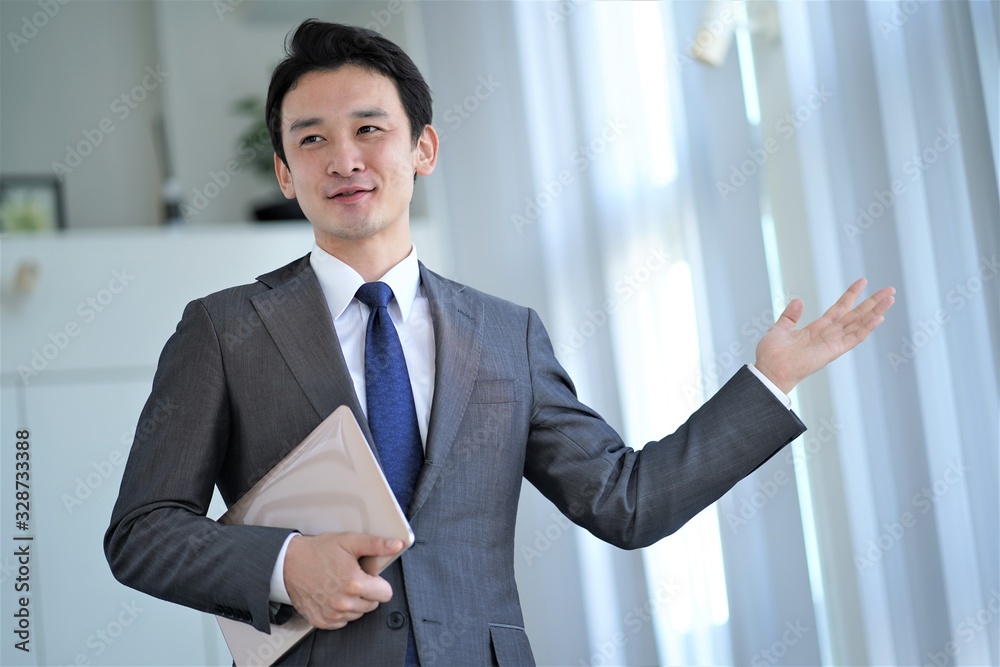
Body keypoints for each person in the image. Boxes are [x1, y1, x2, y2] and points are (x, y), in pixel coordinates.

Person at [104, 19, 895, 666]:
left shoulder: (505, 335)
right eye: (311, 140)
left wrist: (768, 381)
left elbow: (627, 501)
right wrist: (284, 565)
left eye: (370, 129)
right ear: (284, 172)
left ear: (423, 149)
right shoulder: (223, 329)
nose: (344, 159)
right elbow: (142, 531)